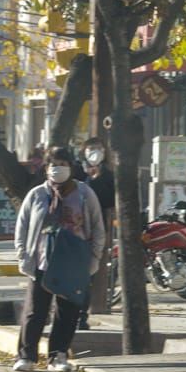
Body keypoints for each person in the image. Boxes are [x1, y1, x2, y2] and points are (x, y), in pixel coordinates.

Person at [12, 147, 106, 372]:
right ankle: (27, 356)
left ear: (71, 167)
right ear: (46, 168)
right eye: (53, 164)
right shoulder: (37, 195)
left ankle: (58, 355)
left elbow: (97, 228)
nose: (58, 169)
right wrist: (24, 255)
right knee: (36, 310)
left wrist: (94, 258)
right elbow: (22, 227)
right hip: (42, 261)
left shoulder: (84, 194)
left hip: (73, 263)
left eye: (62, 164)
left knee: (68, 311)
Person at [75, 137, 115, 330]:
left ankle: (81, 316)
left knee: (87, 276)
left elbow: (109, 202)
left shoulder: (107, 175)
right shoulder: (75, 171)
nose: (95, 152)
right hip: (72, 230)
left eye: (99, 149)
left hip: (94, 233)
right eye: (91, 149)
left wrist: (97, 178)